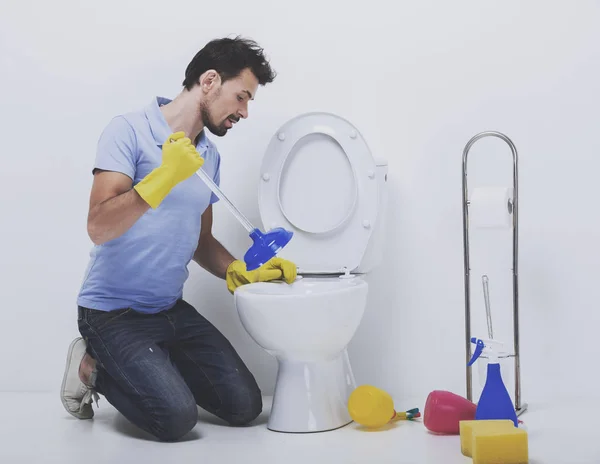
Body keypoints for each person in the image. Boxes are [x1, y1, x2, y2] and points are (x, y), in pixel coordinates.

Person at [60, 36, 297, 442]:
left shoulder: (209, 156)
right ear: (209, 81)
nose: (243, 111)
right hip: (112, 313)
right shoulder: (128, 131)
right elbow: (98, 226)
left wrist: (240, 271)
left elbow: (201, 240)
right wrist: (162, 177)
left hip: (169, 310)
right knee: (174, 419)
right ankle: (92, 365)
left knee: (245, 407)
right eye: (241, 97)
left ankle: (151, 365)